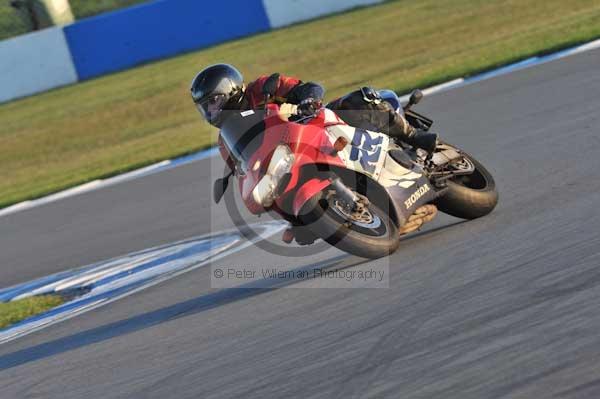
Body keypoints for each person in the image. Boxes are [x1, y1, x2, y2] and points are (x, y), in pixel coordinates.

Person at [190, 64, 438, 153]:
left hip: (316, 125)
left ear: (230, 89)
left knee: (357, 100)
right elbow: (246, 173)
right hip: (295, 156)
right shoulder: (226, 140)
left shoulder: (264, 87)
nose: (211, 111)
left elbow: (310, 87)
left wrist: (309, 102)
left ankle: (413, 137)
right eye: (205, 107)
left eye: (213, 102)